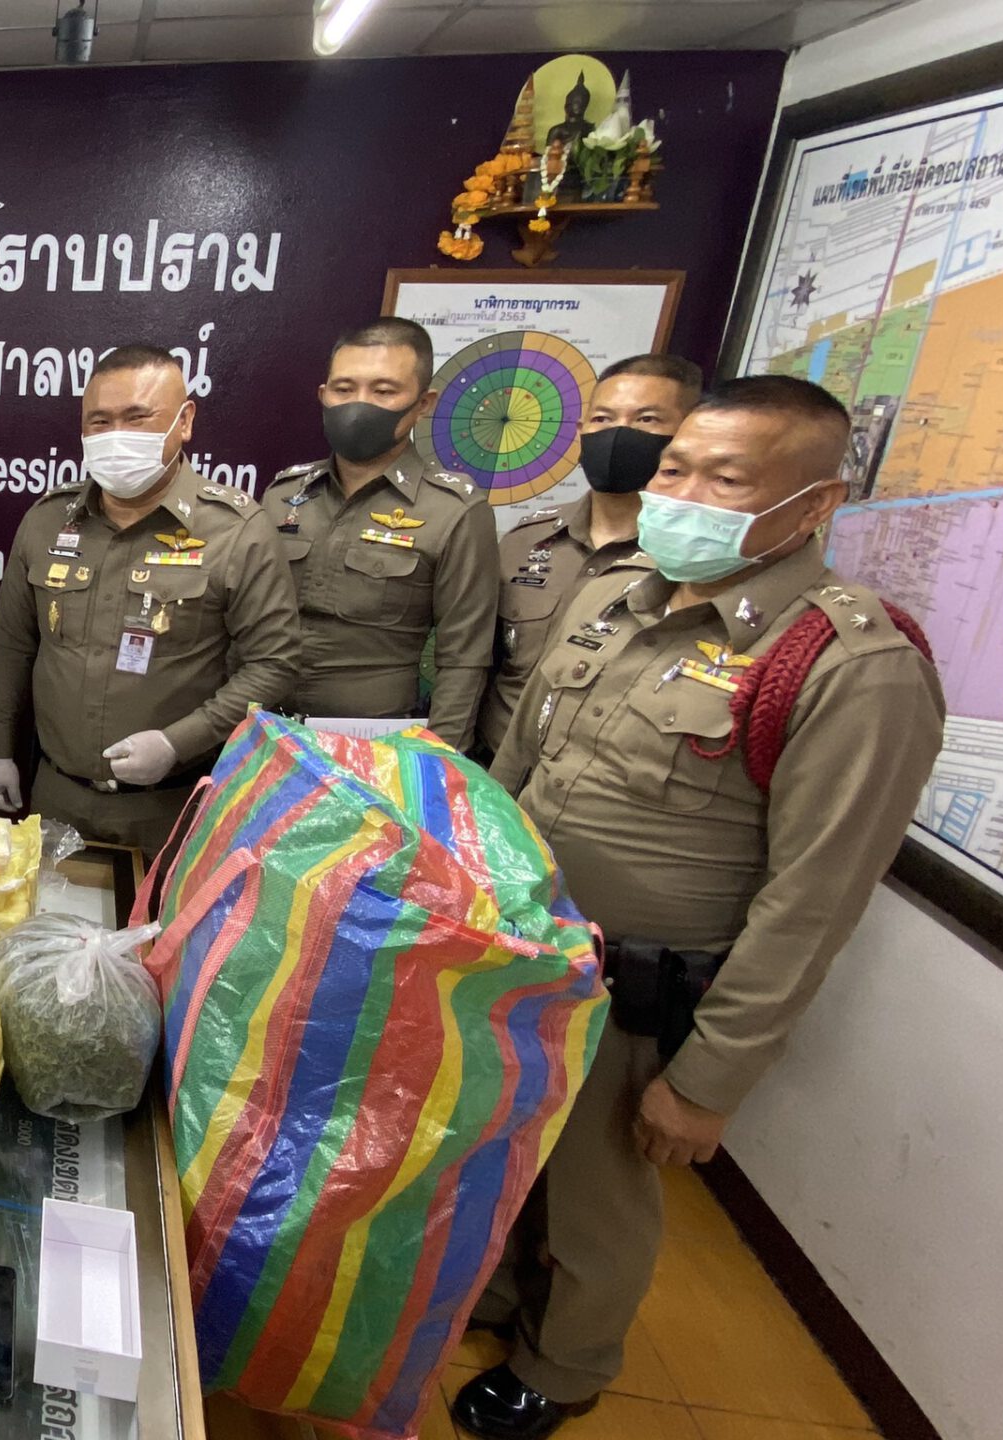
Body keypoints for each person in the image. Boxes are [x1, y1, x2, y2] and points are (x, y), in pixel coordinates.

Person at [456, 376, 946, 1438]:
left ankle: (561, 1366)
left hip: (639, 991)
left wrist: (707, 1082)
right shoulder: (615, 598)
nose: (680, 493)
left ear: (814, 504)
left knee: (594, 1195)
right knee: (504, 1151)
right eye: (675, 468)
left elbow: (813, 902)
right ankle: (493, 1300)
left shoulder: (851, 665)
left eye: (725, 480)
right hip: (523, 956)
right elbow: (518, 765)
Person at [0, 345, 303, 857]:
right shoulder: (47, 520)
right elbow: (12, 646)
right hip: (57, 796)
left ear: (184, 420)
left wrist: (178, 742)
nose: (116, 435)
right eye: (100, 421)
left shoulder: (235, 529)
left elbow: (274, 663)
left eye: (137, 418)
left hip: (172, 806)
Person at [261, 318, 498, 750]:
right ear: (323, 395)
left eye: (384, 391)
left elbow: (464, 659)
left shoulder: (453, 511)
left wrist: (435, 762)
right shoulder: (283, 494)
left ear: (423, 403)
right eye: (344, 389)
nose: (359, 404)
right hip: (266, 732)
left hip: (375, 747)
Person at [476, 354, 699, 756]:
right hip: (493, 767)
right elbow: (479, 663)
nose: (618, 434)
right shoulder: (526, 540)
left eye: (646, 419)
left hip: (594, 777)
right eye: (603, 419)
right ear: (582, 430)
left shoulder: (693, 560)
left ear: (687, 435)